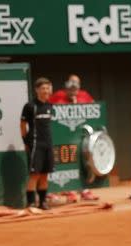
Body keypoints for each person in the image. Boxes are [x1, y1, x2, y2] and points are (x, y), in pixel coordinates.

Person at [49, 74, 99, 202]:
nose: (73, 85)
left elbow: (95, 109)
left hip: (79, 138)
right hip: (62, 138)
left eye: (76, 83)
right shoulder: (58, 95)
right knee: (64, 163)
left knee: (82, 164)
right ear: (66, 83)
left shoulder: (84, 95)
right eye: (71, 82)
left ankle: (84, 190)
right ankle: (68, 190)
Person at [20, 78, 54, 210]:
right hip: (36, 145)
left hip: (48, 144)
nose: (45, 91)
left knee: (45, 174)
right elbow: (22, 125)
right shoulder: (30, 106)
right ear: (37, 90)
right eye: (43, 88)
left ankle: (43, 202)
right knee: (34, 175)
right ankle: (31, 203)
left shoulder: (50, 106)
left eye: (47, 88)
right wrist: (25, 142)